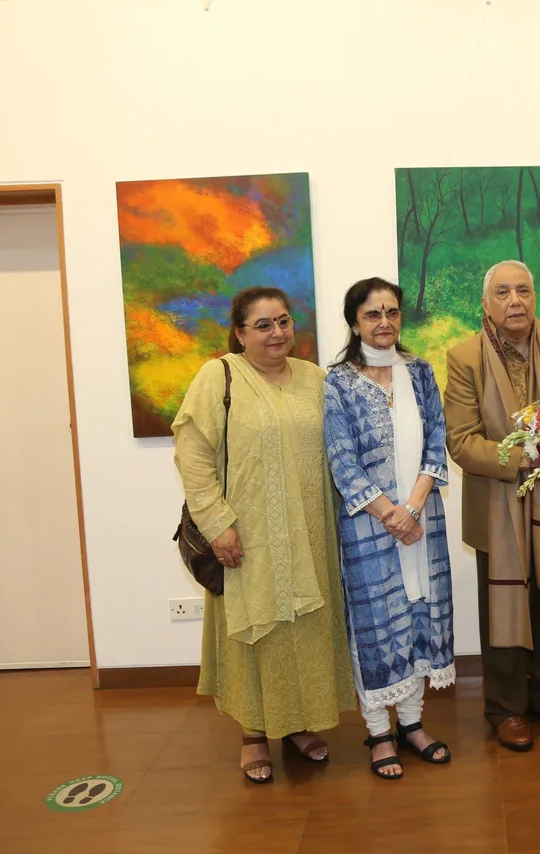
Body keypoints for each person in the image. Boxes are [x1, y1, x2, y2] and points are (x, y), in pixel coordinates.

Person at [172, 286, 354, 783]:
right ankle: (254, 733)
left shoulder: (315, 379)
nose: (278, 333)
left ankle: (297, 725)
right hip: (244, 536)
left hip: (312, 533)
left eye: (284, 322)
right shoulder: (219, 376)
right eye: (264, 325)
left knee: (304, 629)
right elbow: (193, 453)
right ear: (240, 333)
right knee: (257, 630)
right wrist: (217, 525)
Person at [443, 260, 540, 752]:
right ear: (485, 305)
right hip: (497, 498)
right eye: (504, 293)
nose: (516, 301)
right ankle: (506, 708)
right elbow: (462, 441)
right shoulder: (464, 355)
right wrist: (526, 453)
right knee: (504, 603)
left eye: (524, 291)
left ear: (535, 297)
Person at [323, 278, 455, 780]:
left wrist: (415, 508)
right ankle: (379, 732)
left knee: (420, 615)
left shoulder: (419, 372)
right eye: (372, 314)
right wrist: (391, 514)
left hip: (423, 521)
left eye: (392, 313)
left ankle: (414, 725)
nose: (384, 323)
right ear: (354, 321)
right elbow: (342, 460)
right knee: (376, 627)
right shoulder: (336, 381)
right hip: (370, 526)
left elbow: (436, 438)